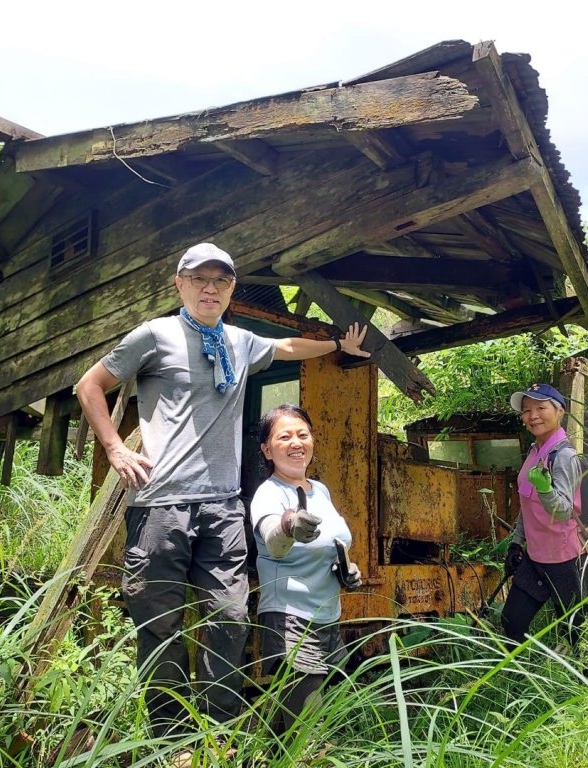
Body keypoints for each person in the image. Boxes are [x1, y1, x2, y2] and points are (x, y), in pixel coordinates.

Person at [75, 243, 369, 735]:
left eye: (221, 281)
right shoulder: (155, 335)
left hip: (222, 505)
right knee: (160, 625)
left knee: (229, 617)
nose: (210, 288)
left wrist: (338, 347)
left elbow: (288, 347)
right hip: (160, 506)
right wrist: (114, 449)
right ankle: (169, 737)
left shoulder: (239, 340)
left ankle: (217, 732)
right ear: (180, 284)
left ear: (231, 289)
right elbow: (89, 385)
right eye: (200, 279)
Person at [250, 404, 361, 733]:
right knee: (307, 731)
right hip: (292, 620)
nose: (296, 443)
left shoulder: (320, 490)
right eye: (284, 437)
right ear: (267, 450)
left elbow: (333, 543)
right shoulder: (268, 494)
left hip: (328, 618)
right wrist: (289, 525)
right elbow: (272, 541)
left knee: (300, 724)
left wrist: (346, 569)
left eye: (303, 434)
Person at [501, 383, 588, 652]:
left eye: (541, 408)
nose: (533, 415)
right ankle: (518, 679)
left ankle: (580, 684)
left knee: (574, 631)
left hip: (564, 558)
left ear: (560, 411)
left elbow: (563, 511)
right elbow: (527, 503)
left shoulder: (564, 456)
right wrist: (517, 543)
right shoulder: (534, 452)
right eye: (526, 411)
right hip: (535, 557)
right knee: (511, 622)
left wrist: (545, 488)